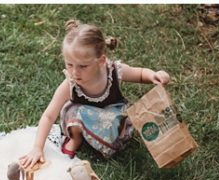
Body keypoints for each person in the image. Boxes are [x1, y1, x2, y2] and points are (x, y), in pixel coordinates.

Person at [19, 19, 171, 169]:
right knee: (75, 115)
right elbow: (49, 116)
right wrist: (37, 148)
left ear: (101, 61)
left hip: (109, 113)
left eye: (83, 66)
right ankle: (76, 139)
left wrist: (154, 75)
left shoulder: (113, 71)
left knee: (122, 118)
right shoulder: (70, 84)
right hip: (82, 116)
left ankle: (107, 138)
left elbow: (139, 74)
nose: (75, 72)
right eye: (69, 65)